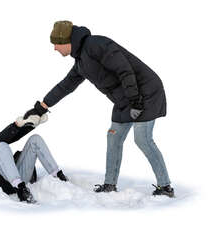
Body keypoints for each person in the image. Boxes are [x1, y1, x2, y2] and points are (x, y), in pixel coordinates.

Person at [24, 21, 174, 197]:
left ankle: (165, 187)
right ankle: (110, 184)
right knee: (113, 137)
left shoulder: (96, 44)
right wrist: (42, 107)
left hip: (145, 92)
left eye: (56, 44)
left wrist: (135, 101)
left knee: (142, 139)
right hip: (125, 99)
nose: (55, 48)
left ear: (65, 41)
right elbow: (65, 86)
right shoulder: (80, 62)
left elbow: (124, 69)